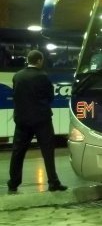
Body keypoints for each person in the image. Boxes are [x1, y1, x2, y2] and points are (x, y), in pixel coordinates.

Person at [7, 50, 67, 194]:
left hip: (22, 120)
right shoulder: (43, 76)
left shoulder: (18, 76)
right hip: (42, 120)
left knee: (18, 152)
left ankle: (13, 183)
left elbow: (16, 96)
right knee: (47, 151)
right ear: (39, 61)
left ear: (28, 60)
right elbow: (50, 97)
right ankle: (53, 182)